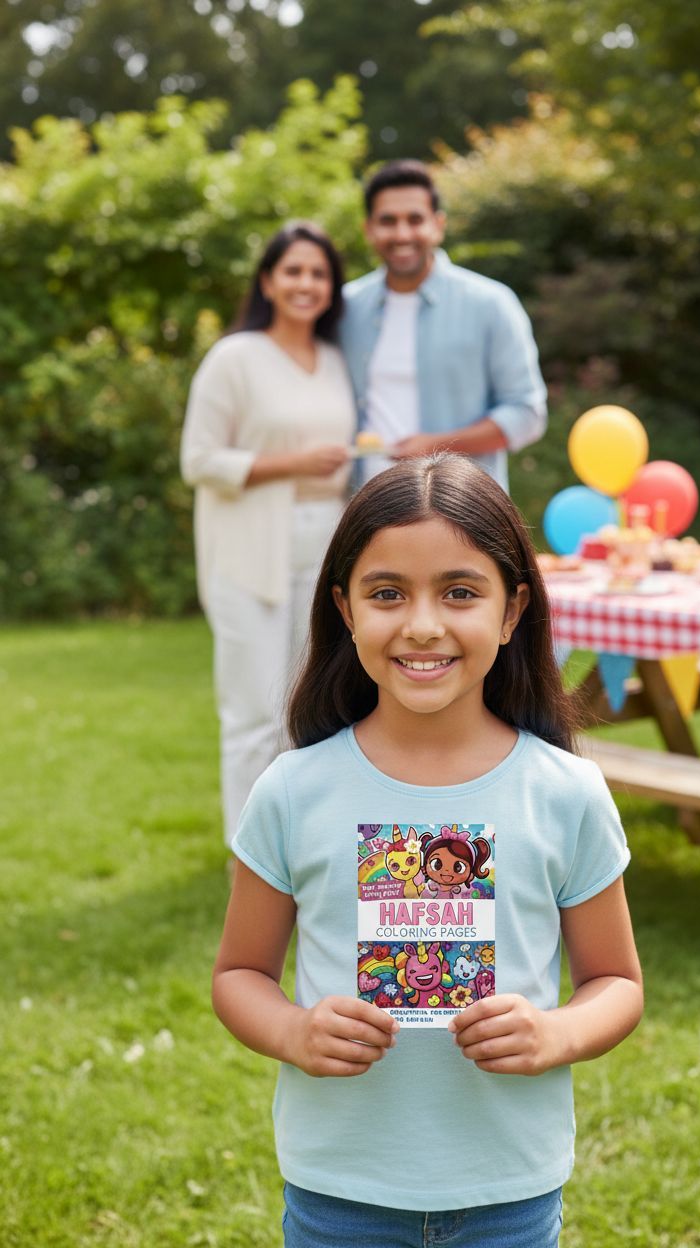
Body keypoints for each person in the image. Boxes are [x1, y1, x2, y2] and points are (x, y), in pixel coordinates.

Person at [213, 453, 643, 1247]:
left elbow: (615, 982)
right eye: (387, 594)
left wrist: (556, 1034)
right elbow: (239, 975)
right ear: (344, 607)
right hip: (339, 1188)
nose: (421, 624)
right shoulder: (293, 790)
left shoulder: (564, 793)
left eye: (459, 591)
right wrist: (292, 1032)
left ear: (513, 611)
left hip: (507, 1189)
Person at [181, 221, 355, 847]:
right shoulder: (235, 357)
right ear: (268, 282)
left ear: (332, 288)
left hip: (324, 546)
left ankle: (294, 847)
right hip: (248, 551)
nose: (306, 283)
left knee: (307, 705)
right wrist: (291, 464)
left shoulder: (335, 360)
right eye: (294, 271)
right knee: (253, 713)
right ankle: (245, 856)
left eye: (319, 273)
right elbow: (197, 460)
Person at [339, 158, 548, 491]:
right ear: (369, 229)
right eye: (388, 221)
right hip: (365, 513)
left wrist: (438, 447)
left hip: (462, 514)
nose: (402, 233)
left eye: (415, 219)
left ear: (438, 225)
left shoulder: (491, 303)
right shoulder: (345, 307)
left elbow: (527, 415)